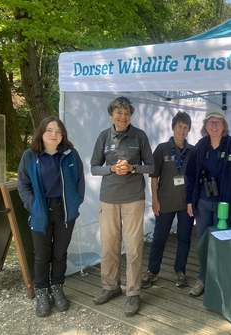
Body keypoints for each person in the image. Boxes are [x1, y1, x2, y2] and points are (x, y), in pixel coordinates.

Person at [90, 97, 154, 317]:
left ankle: (134, 292)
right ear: (111, 115)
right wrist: (111, 169)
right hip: (108, 199)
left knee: (134, 246)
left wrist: (133, 168)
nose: (123, 117)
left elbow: (152, 166)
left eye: (127, 113)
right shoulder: (103, 137)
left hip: (134, 198)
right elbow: (94, 168)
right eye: (119, 113)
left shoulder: (140, 136)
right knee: (109, 245)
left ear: (131, 116)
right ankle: (110, 287)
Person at [17, 116, 85, 317]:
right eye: (49, 130)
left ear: (62, 134)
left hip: (64, 211)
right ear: (41, 133)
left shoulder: (71, 155)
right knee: (41, 255)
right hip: (40, 211)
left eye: (58, 131)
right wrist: (34, 206)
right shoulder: (29, 156)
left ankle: (57, 289)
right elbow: (23, 185)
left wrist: (75, 202)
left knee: (60, 253)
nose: (54, 135)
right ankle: (42, 293)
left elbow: (80, 181)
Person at [186, 107, 231, 297]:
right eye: (211, 122)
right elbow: (190, 176)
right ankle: (202, 278)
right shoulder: (200, 146)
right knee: (204, 242)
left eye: (218, 122)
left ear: (224, 126)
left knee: (222, 242)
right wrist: (190, 200)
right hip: (203, 203)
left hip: (226, 204)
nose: (214, 125)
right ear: (205, 125)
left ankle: (221, 281)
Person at [141, 112, 195, 289]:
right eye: (179, 126)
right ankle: (152, 271)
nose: (182, 130)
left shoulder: (193, 151)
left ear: (188, 130)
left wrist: (192, 201)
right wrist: (155, 200)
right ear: (173, 128)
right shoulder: (162, 149)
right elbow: (154, 176)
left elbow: (194, 178)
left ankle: (180, 270)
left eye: (186, 127)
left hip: (186, 204)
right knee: (159, 238)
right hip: (164, 203)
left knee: (184, 238)